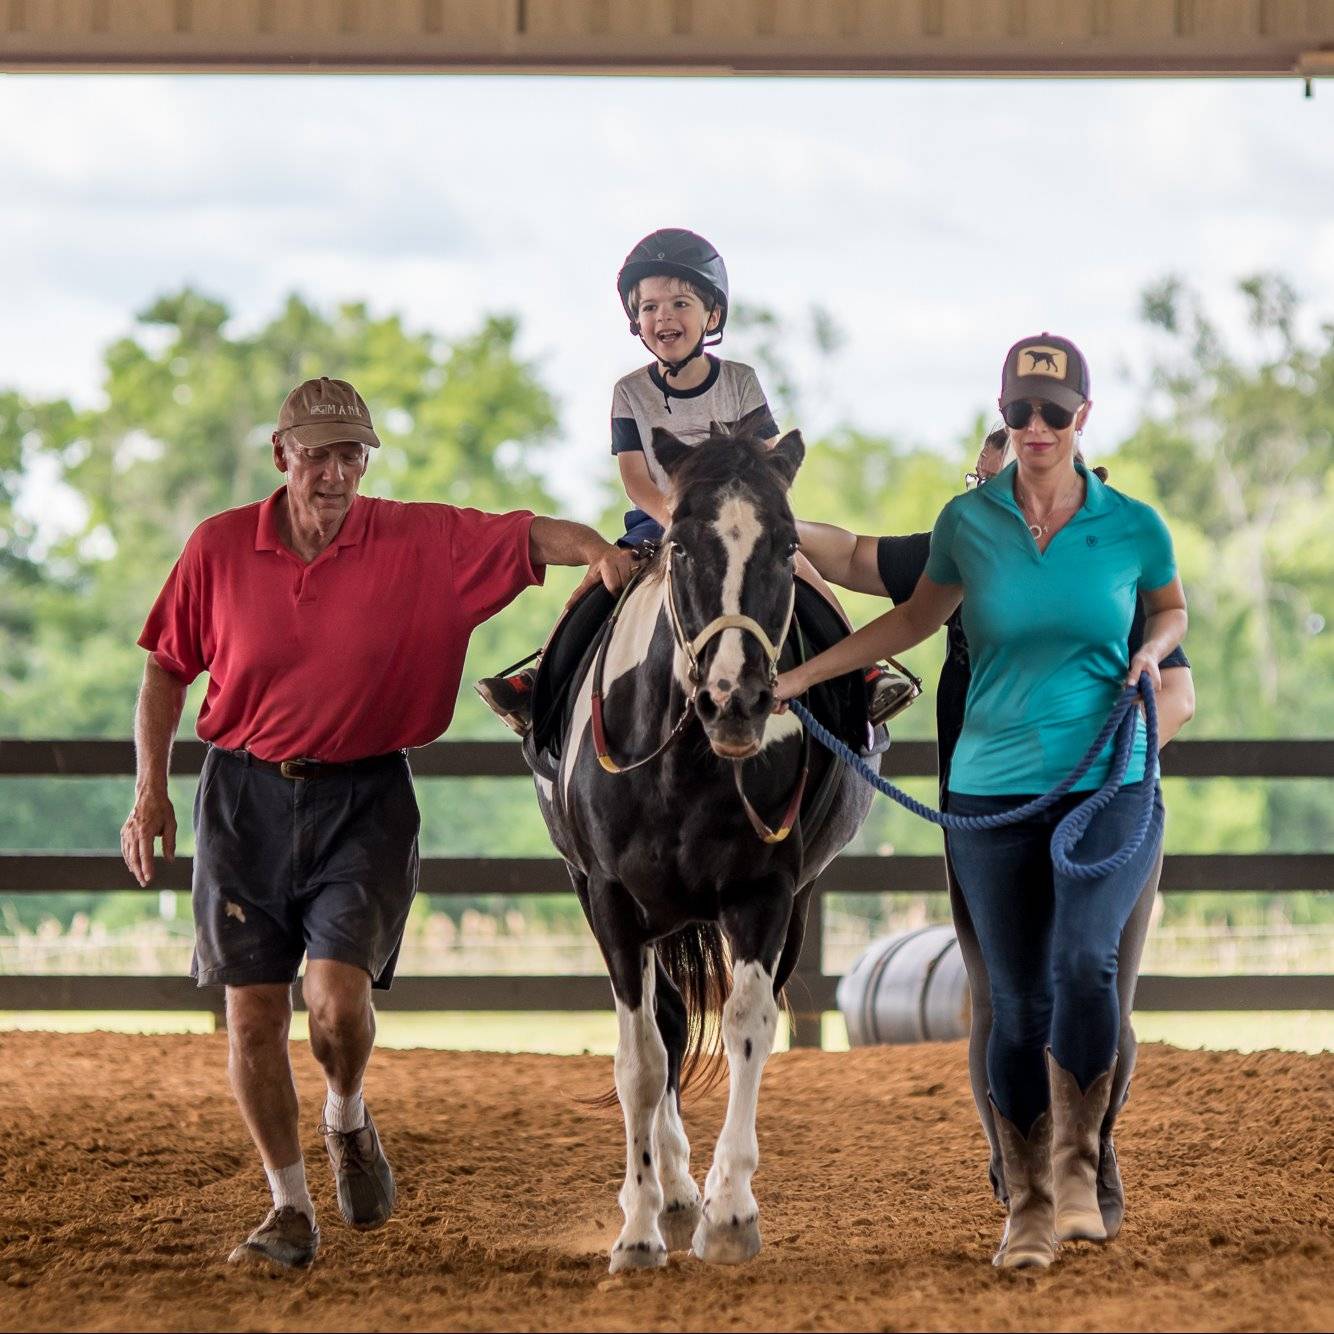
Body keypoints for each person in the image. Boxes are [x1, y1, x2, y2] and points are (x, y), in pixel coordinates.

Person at [120, 376, 634, 1271]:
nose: (334, 472)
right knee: (250, 1019)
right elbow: (167, 668)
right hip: (242, 799)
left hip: (365, 799)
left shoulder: (420, 539)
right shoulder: (217, 547)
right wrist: (150, 791)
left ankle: (346, 1115)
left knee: (335, 1004)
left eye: (350, 453)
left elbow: (526, 535)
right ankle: (288, 1209)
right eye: (316, 453)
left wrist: (595, 547)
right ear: (281, 454)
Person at [775, 334, 1189, 1270]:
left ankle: (1084, 1167)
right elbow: (907, 612)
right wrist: (799, 676)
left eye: (1053, 411)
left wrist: (1153, 654)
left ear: (1082, 417)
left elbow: (1172, 615)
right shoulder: (968, 525)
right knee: (1012, 1001)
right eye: (1019, 412)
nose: (1035, 427)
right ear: (1002, 419)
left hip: (1106, 783)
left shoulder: (1132, 527)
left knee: (1089, 969)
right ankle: (1027, 1201)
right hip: (990, 789)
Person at [476, 227, 898, 737]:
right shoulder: (629, 392)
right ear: (636, 320)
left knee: (802, 571)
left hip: (737, 520)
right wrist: (678, 519)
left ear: (711, 315)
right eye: (649, 307)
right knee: (598, 587)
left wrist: (742, 511)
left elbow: (764, 458)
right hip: (660, 523)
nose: (664, 317)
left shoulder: (739, 381)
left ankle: (864, 672)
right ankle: (541, 678)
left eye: (680, 302)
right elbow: (635, 477)